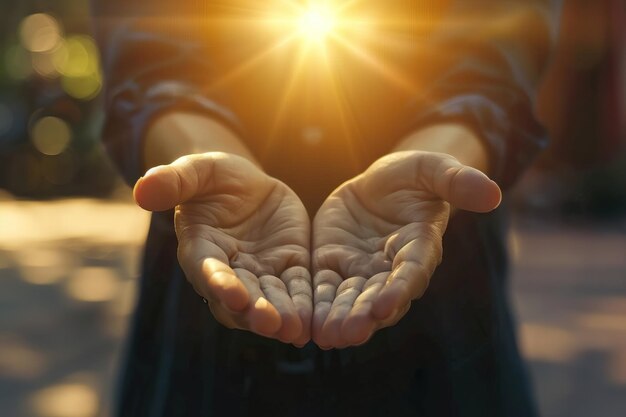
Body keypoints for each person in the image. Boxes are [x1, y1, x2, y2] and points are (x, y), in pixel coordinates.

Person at [92, 1, 560, 415]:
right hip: (204, 324)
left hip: (442, 328)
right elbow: (149, 57)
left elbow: (496, 60)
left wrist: (437, 160)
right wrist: (206, 157)